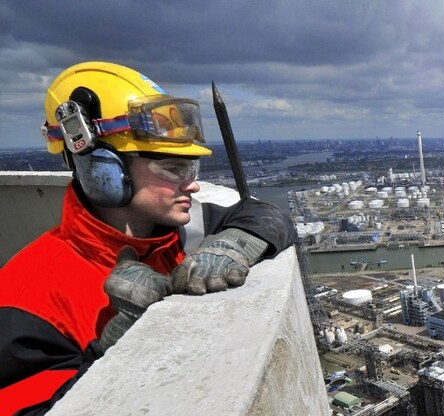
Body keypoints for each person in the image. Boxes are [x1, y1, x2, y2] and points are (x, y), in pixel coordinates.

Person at [0, 61, 296, 415]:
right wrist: (114, 346)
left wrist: (236, 243)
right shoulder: (24, 298)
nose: (193, 184)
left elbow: (268, 216)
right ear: (102, 170)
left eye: (191, 168)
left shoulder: (183, 230)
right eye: (173, 169)